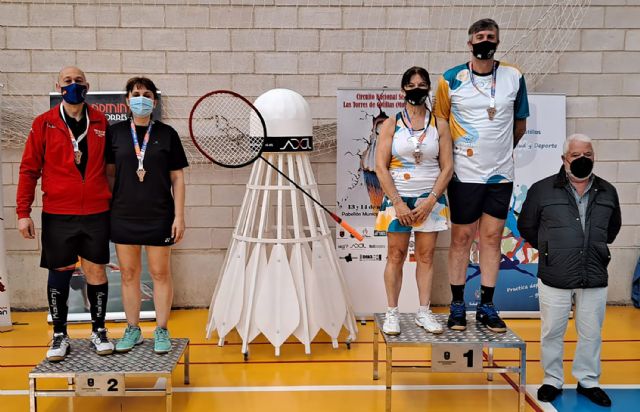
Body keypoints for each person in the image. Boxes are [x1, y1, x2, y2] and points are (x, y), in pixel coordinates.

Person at [434, 18, 529, 332]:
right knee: (461, 239)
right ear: (469, 42)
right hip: (464, 175)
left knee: (491, 240)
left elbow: (520, 125)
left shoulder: (514, 76)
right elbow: (442, 124)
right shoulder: (450, 79)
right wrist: (450, 163)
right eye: (479, 36)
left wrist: (500, 153)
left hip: (500, 177)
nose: (485, 40)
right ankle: (458, 305)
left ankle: (488, 305)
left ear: (498, 42)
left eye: (491, 36)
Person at [17, 66, 113, 361]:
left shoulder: (101, 121)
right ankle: (59, 335)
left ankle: (99, 330)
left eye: (79, 81)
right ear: (58, 86)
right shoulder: (43, 123)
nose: (74, 85)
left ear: (88, 86)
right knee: (60, 272)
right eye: (68, 81)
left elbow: (111, 169)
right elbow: (29, 170)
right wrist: (23, 211)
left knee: (96, 271)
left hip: (97, 212)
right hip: (58, 213)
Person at [518, 134, 621, 407]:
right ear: (564, 159)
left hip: (594, 274)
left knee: (591, 332)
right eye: (576, 155)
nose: (582, 159)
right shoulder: (542, 190)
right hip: (555, 275)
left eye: (587, 154)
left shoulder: (608, 191)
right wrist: (551, 248)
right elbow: (526, 226)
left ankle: (588, 380)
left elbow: (612, 229)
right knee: (552, 331)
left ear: (594, 157)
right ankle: (552, 379)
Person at [106, 77, 188, 354]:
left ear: (154, 101)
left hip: (159, 215)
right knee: (129, 274)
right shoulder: (115, 133)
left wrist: (179, 216)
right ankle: (133, 329)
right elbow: (108, 174)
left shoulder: (167, 134)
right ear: (127, 101)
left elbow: (177, 177)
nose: (141, 98)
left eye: (147, 94)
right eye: (136, 93)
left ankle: (162, 330)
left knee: (160, 273)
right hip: (123, 216)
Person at [375, 66, 453, 335]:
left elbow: (447, 168)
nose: (417, 88)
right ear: (403, 90)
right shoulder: (391, 123)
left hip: (429, 200)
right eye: (412, 84)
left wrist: (431, 201)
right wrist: (397, 202)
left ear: (428, 88)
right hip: (398, 199)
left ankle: (423, 312)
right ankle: (392, 312)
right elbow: (380, 167)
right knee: (395, 255)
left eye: (422, 84)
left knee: (426, 256)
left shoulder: (439, 124)